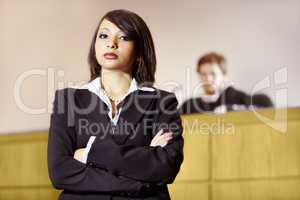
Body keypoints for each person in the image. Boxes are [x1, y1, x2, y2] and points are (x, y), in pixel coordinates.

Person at [48, 9, 183, 200]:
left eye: (124, 37)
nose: (111, 43)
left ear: (139, 50)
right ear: (95, 45)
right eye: (104, 36)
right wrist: (138, 177)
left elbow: (166, 168)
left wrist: (89, 153)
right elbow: (59, 172)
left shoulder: (162, 101)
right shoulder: (68, 100)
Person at [179, 52, 273, 114]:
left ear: (224, 75)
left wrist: (231, 109)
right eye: (203, 74)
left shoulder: (239, 99)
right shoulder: (189, 106)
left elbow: (266, 107)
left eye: (213, 74)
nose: (208, 78)